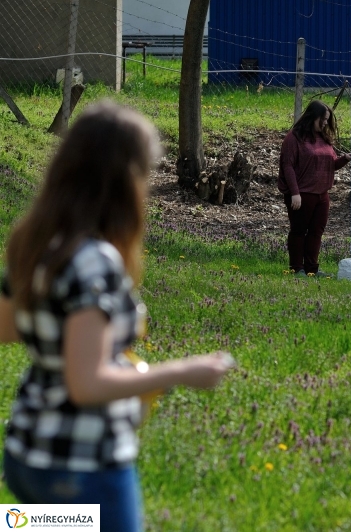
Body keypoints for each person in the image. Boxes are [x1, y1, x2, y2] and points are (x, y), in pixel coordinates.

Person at [0, 102, 233, 532]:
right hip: (81, 466)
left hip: (26, 459)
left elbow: (8, 327)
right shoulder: (95, 262)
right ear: (126, 179)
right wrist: (182, 371)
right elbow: (86, 384)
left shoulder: (35, 243)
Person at [278, 100, 350, 277]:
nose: (326, 122)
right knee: (299, 230)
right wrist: (295, 193)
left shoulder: (323, 139)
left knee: (316, 232)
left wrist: (345, 159)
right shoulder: (294, 138)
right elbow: (288, 166)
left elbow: (329, 165)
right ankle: (296, 267)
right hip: (302, 194)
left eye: (327, 119)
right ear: (313, 117)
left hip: (322, 195)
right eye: (323, 119)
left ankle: (312, 268)